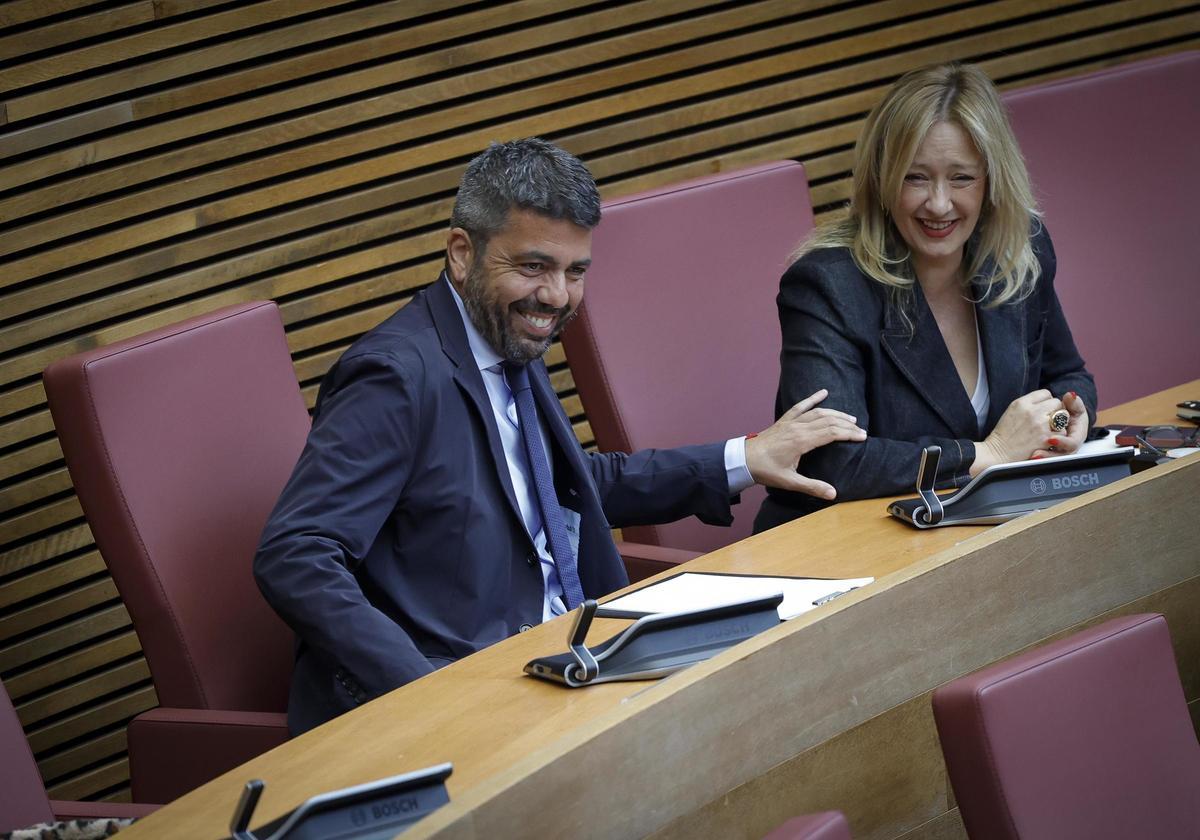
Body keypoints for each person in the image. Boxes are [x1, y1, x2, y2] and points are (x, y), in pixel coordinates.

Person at [255, 138, 865, 734]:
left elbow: (557, 485)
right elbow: (297, 554)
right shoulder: (394, 376)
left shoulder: (506, 334)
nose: (556, 296)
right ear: (462, 253)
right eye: (533, 267)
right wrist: (425, 694)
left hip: (573, 659)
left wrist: (745, 458)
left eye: (575, 271)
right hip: (468, 701)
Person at [754, 62, 1097, 531]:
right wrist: (988, 454)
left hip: (989, 530)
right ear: (882, 179)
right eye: (915, 177)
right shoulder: (828, 284)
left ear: (993, 181)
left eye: (961, 178)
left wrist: (1066, 422)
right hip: (851, 543)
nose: (938, 203)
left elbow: (1068, 377)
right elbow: (829, 461)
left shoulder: (1020, 250)